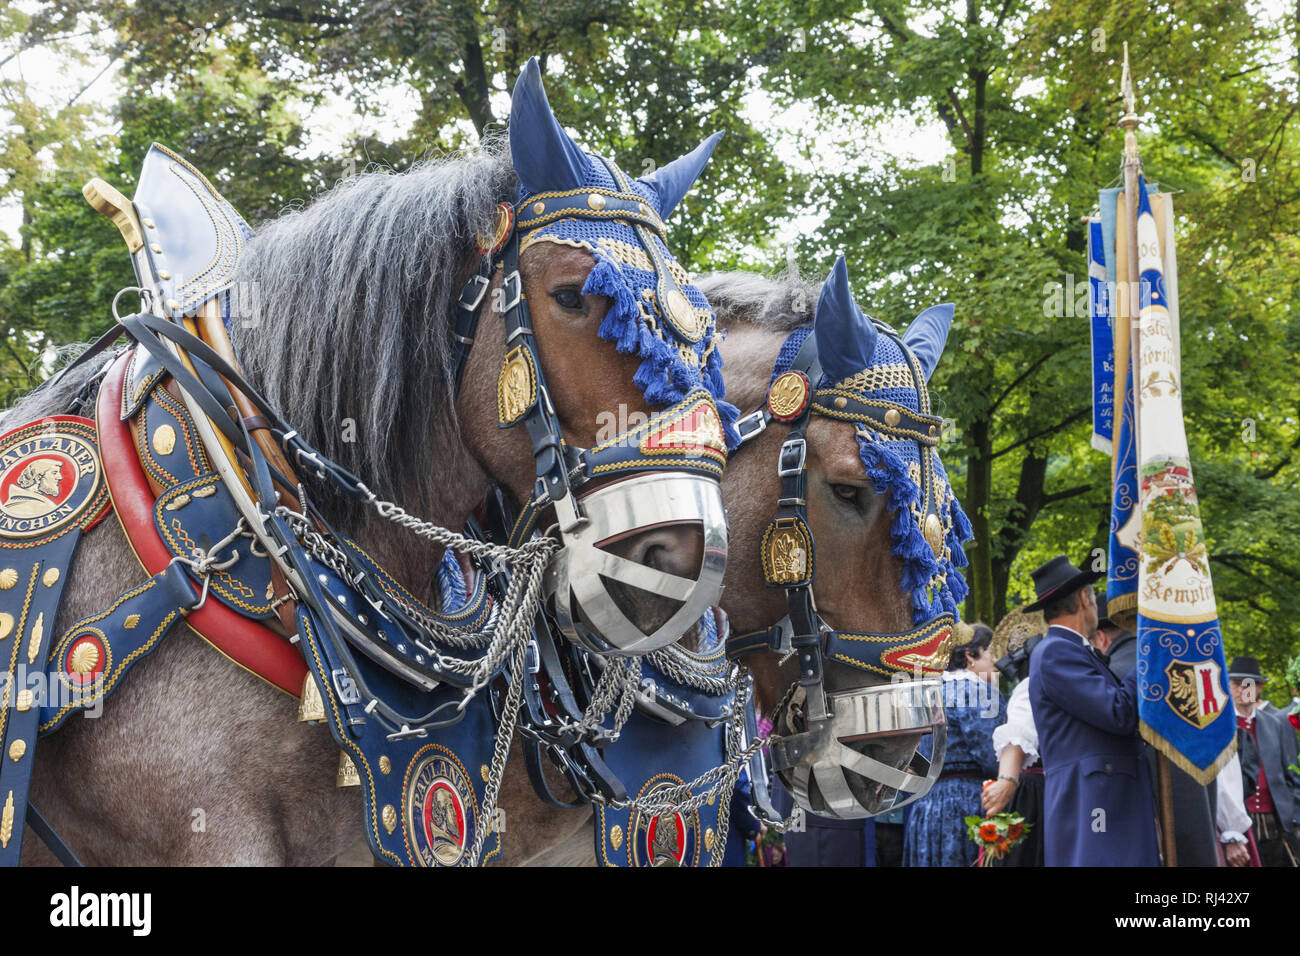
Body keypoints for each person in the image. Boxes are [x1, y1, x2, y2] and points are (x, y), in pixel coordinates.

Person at [1026, 555, 1159, 866]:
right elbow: (1119, 713)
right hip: (1095, 801)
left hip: (1101, 797)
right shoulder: (1057, 651)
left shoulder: (1066, 650)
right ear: (1085, 598)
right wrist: (1149, 652)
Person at [1093, 591, 1220, 866]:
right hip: (1198, 806)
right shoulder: (1181, 667)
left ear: (1101, 637)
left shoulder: (1111, 675)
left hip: (1148, 813)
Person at [903, 623, 1006, 867]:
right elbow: (991, 756)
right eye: (992, 653)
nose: (998, 663)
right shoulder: (978, 692)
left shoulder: (924, 695)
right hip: (967, 804)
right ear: (970, 655)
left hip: (927, 807)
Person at [984, 606, 1046, 866]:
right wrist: (1007, 779)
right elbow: (1018, 734)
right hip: (1032, 792)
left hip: (1038, 789)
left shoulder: (1036, 685)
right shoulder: (1029, 687)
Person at [1230, 656, 1300, 867]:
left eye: (1249, 684)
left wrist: (1293, 814)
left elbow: (1291, 772)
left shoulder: (1276, 724)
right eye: (1238, 684)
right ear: (1229, 686)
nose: (1244, 689)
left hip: (1276, 820)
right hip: (1238, 820)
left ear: (1259, 688)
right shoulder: (1221, 726)